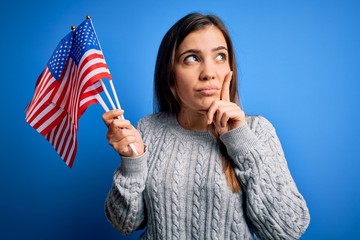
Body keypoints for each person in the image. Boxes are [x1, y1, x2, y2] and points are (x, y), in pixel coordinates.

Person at [102, 12, 310, 239]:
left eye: (220, 56)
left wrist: (240, 141)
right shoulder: (149, 129)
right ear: (170, 74)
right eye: (192, 58)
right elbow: (124, 223)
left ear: (230, 69)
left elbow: (289, 230)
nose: (209, 73)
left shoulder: (257, 131)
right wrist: (132, 163)